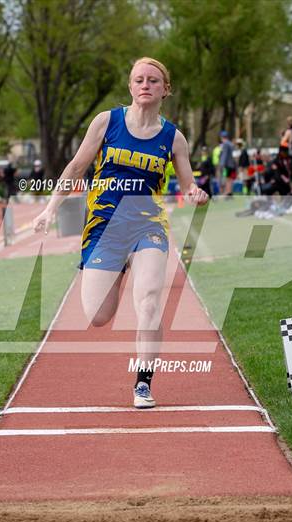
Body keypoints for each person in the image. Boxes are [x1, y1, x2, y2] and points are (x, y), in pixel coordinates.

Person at [32, 57, 208, 409]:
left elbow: (189, 186)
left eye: (153, 81)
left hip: (148, 226)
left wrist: (196, 194)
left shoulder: (174, 138)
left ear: (165, 89)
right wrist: (50, 208)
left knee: (149, 302)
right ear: (130, 86)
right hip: (104, 228)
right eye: (139, 79)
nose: (146, 85)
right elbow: (77, 167)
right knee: (98, 315)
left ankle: (143, 383)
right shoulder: (106, 122)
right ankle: (121, 269)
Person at [218, 131, 236, 196]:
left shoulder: (225, 144)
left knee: (226, 178)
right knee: (230, 179)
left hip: (226, 165)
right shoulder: (231, 144)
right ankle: (230, 191)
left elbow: (224, 155)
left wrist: (222, 164)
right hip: (232, 165)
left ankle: (227, 193)